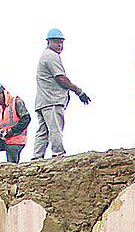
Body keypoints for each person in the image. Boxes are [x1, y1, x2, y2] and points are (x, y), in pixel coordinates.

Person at [32, 28, 91, 161]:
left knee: (43, 131)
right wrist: (78, 91)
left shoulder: (45, 55)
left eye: (61, 42)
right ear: (49, 42)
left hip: (43, 101)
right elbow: (61, 78)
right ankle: (58, 154)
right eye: (57, 42)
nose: (60, 45)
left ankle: (37, 157)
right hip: (52, 100)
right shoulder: (51, 56)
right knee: (55, 129)